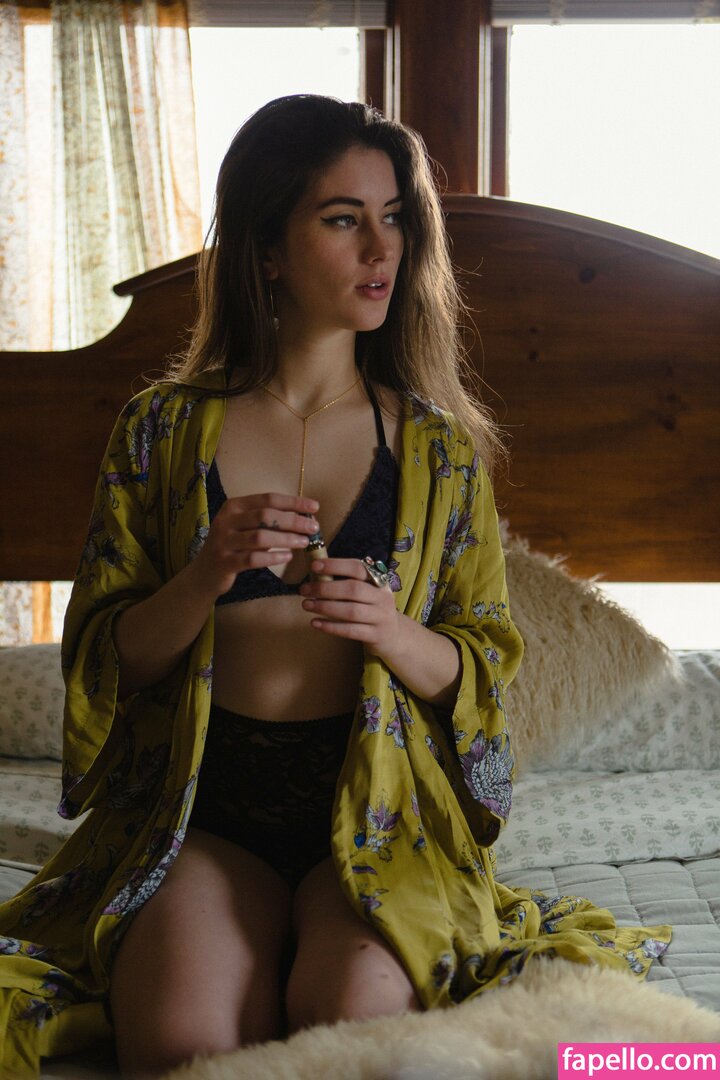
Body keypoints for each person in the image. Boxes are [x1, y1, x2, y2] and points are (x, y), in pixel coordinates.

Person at [0, 95, 670, 1079]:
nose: (381, 248)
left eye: (393, 217)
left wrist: (392, 631)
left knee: (354, 1032)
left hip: (382, 814)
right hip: (203, 813)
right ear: (269, 249)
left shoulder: (437, 450)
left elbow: (483, 667)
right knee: (180, 1045)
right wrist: (206, 572)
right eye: (344, 218)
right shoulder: (159, 431)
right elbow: (108, 661)